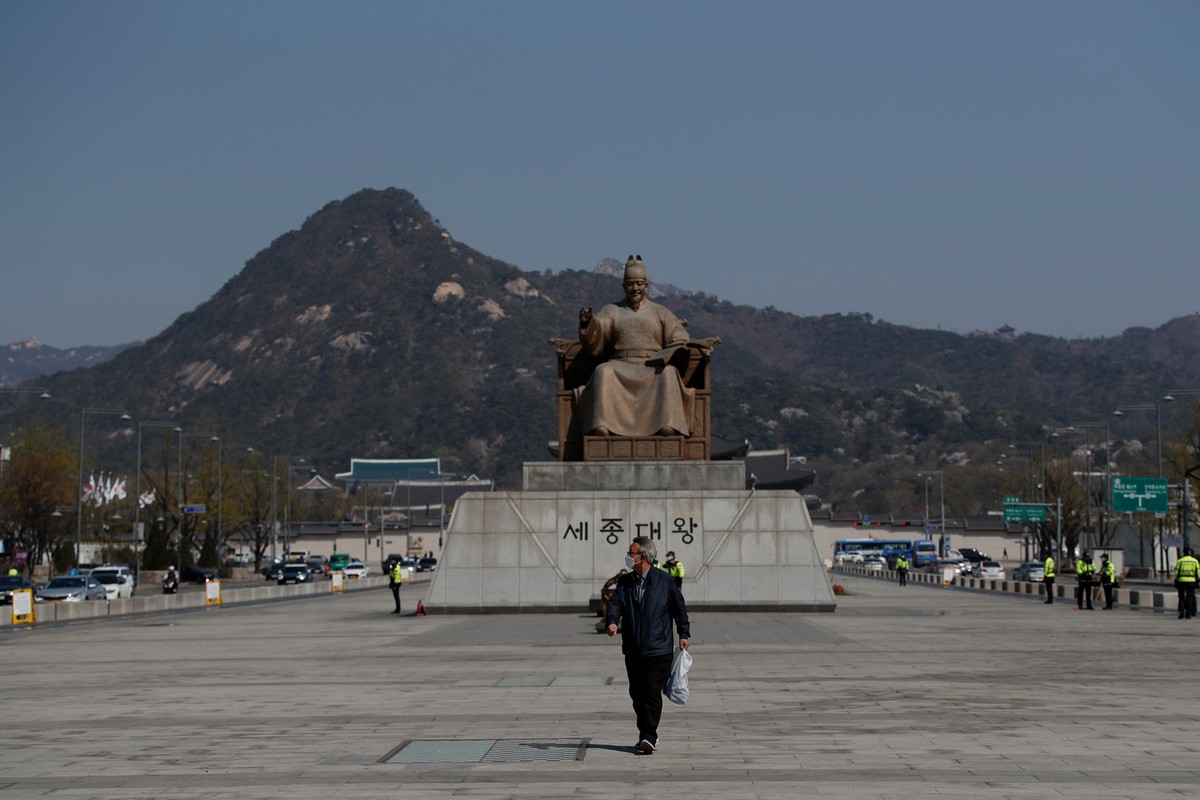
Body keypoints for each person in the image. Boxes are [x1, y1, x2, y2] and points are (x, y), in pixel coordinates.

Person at [576, 255, 694, 437]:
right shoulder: (612, 310)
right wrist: (588, 322)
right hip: (620, 364)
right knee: (603, 371)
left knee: (669, 373)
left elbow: (679, 336)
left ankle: (668, 425)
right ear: (624, 287)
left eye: (639, 283)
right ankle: (603, 426)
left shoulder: (660, 312)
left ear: (646, 286)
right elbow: (598, 331)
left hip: (652, 365)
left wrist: (672, 350)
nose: (635, 288)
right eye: (630, 284)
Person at [605, 536, 690, 755]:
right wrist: (612, 621)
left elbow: (679, 609)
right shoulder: (625, 583)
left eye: (631, 552)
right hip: (633, 648)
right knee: (637, 693)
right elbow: (615, 604)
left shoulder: (664, 581)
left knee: (651, 692)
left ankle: (648, 735)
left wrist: (683, 633)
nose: (628, 555)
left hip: (659, 648)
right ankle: (646, 731)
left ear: (642, 556)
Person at [1174, 547, 1199, 620]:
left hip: (1181, 581)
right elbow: (1198, 572)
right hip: (1191, 581)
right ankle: (1188, 613)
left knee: (1181, 597)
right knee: (1190, 597)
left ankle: (1181, 612)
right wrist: (1197, 580)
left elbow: (1176, 572)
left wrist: (1176, 580)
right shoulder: (1195, 561)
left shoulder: (1180, 561)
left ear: (1183, 552)